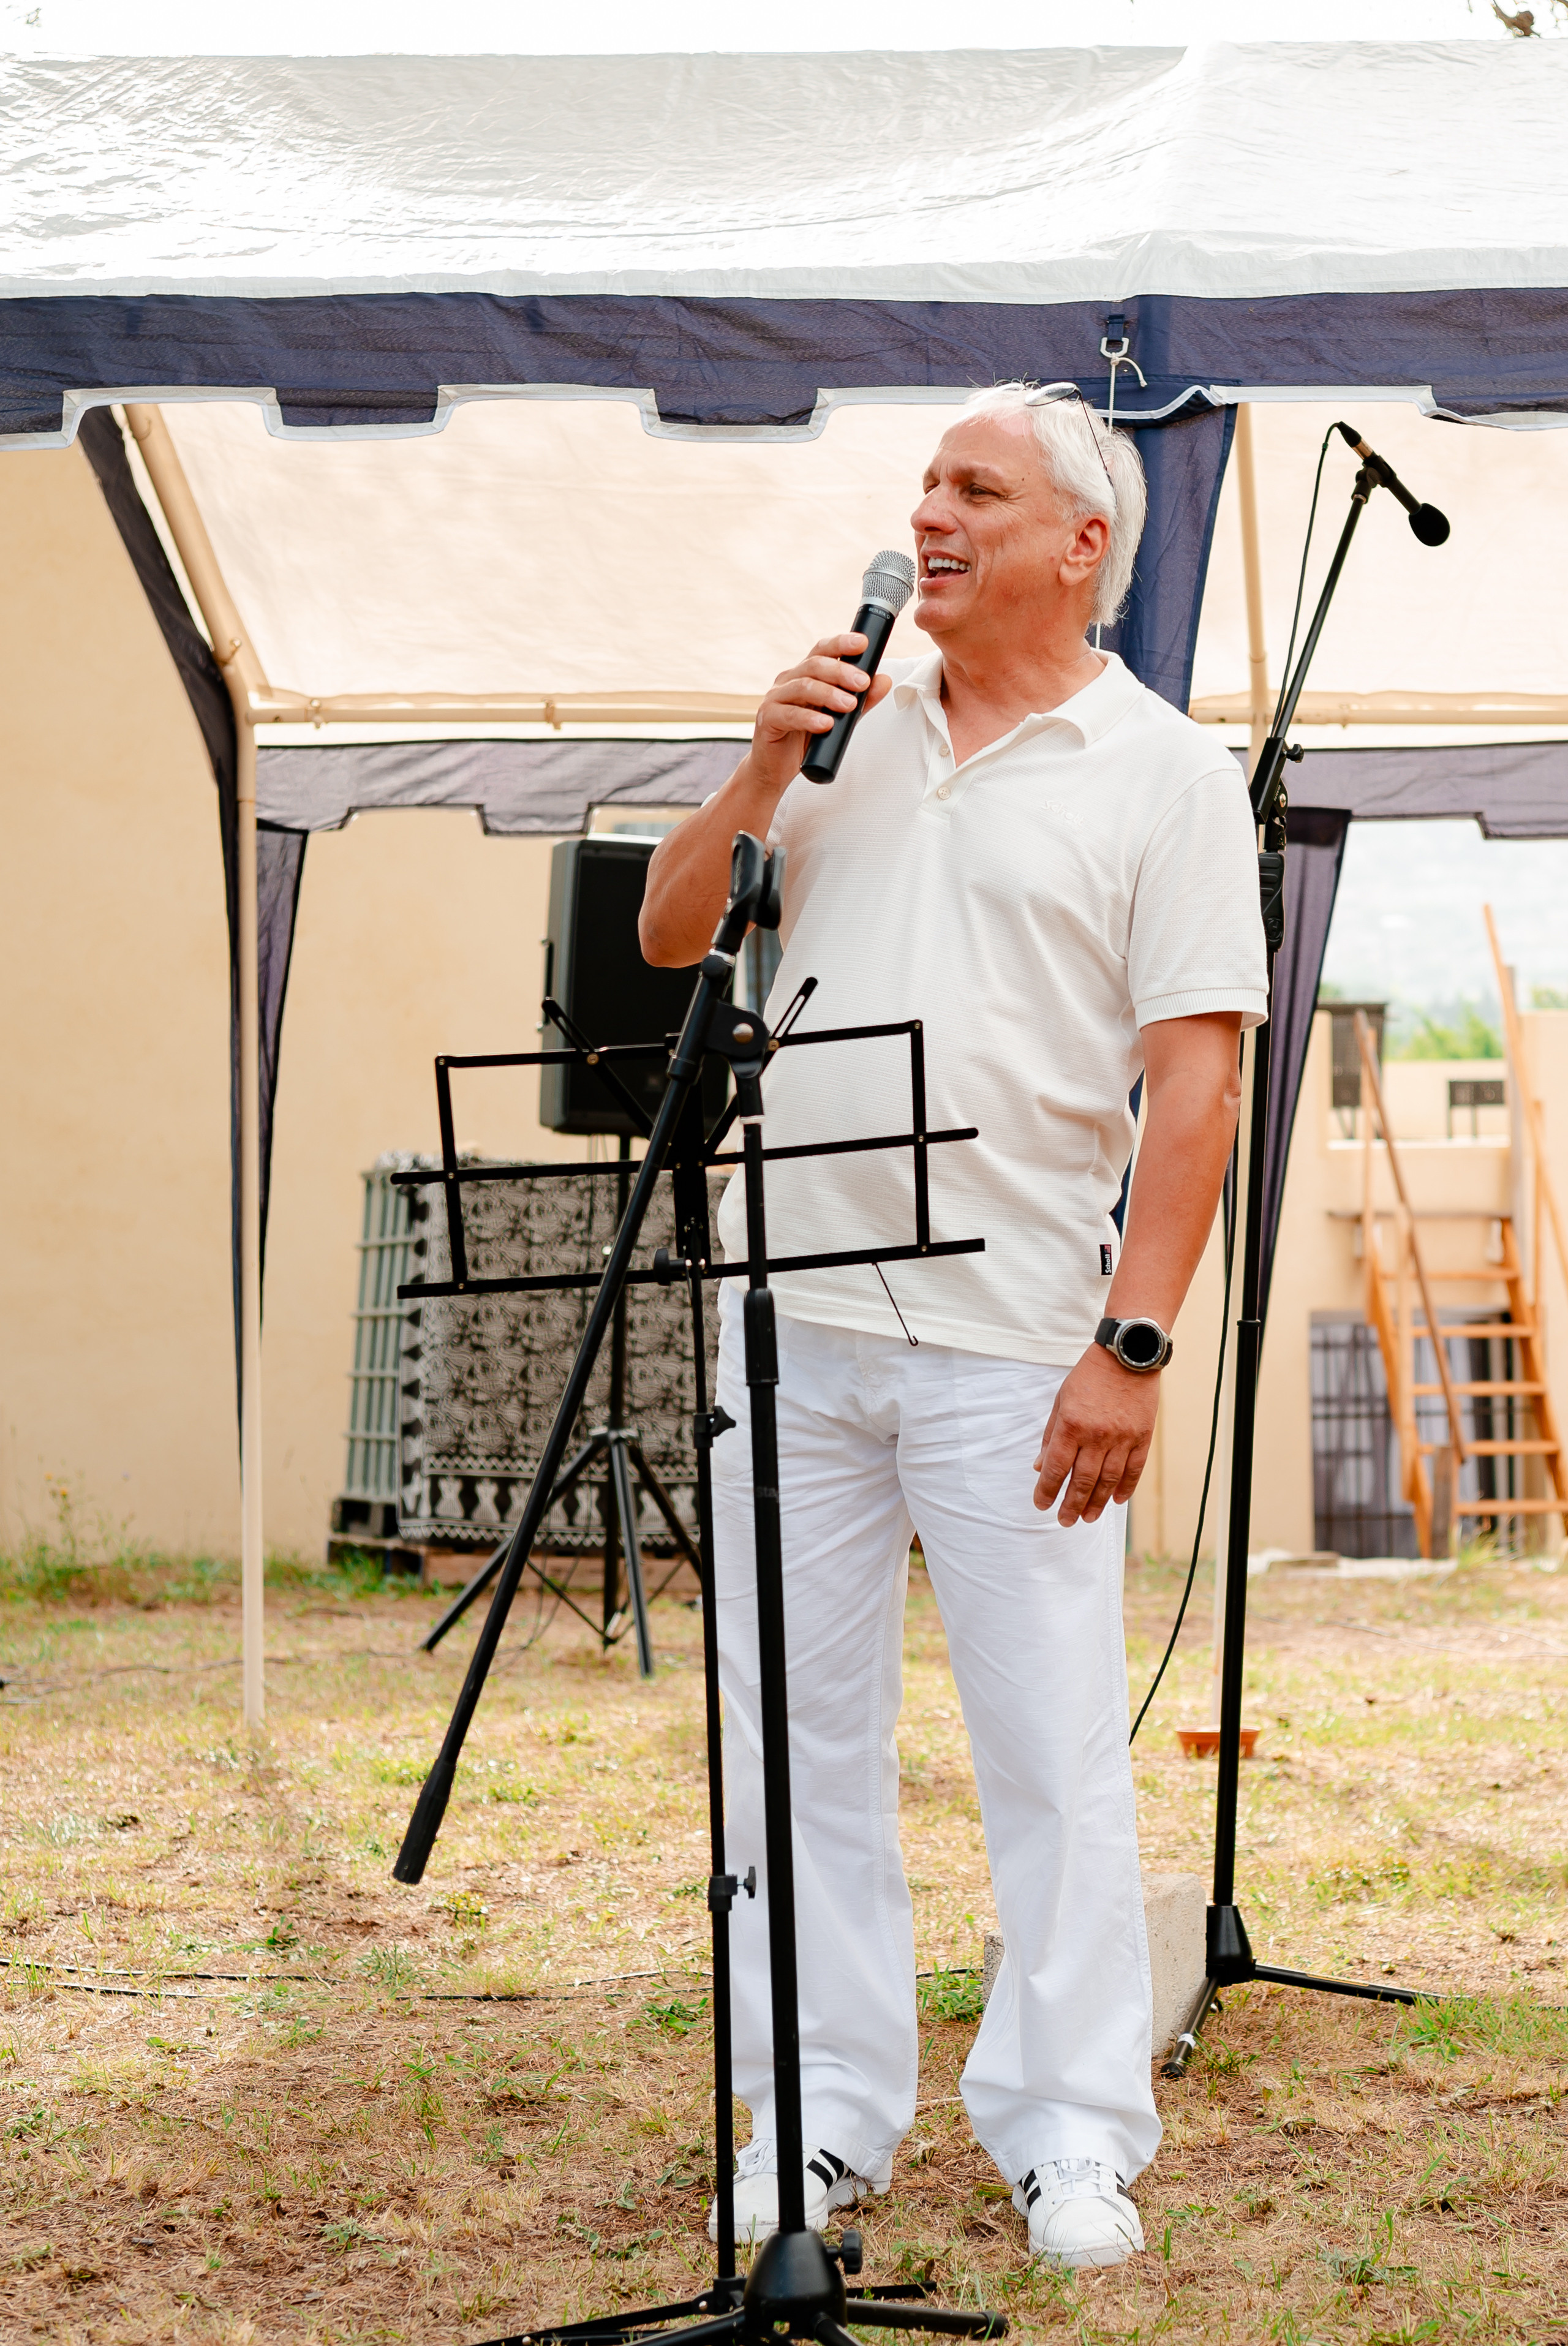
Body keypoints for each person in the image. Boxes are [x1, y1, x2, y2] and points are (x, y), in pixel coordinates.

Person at [639, 382, 1266, 2271]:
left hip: (1015, 1342)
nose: (930, 512)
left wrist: (1132, 1345)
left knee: (1053, 1751)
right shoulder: (844, 744)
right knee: (793, 1741)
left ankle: (1074, 2134)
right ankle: (815, 2123)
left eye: (973, 489)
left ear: (1082, 543)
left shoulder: (1163, 772)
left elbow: (1198, 1086)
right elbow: (672, 936)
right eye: (921, 483)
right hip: (789, 1318)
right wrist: (758, 769)